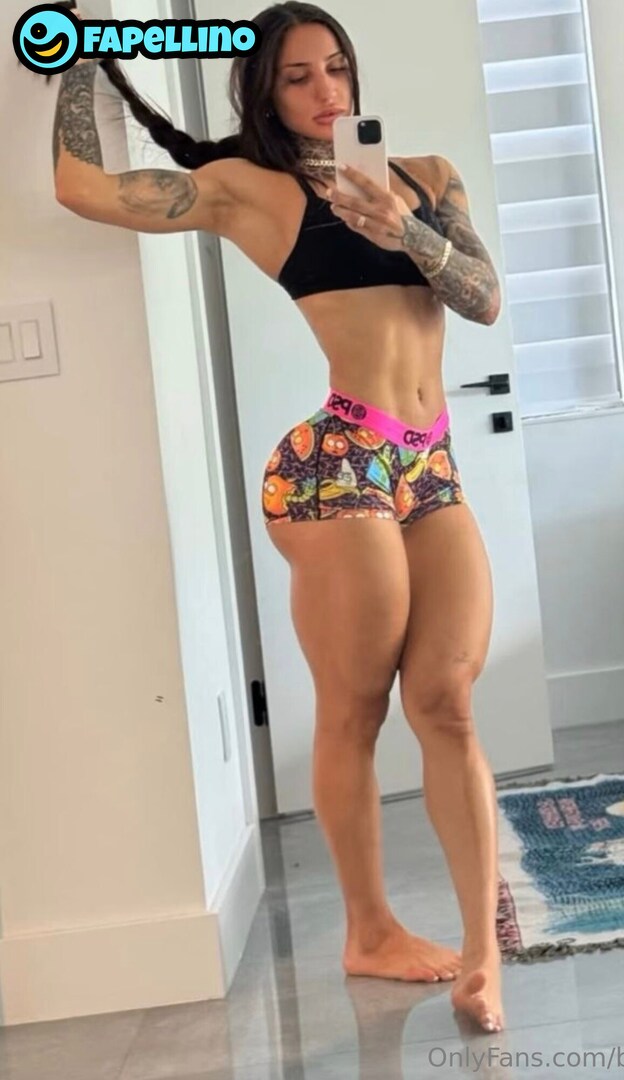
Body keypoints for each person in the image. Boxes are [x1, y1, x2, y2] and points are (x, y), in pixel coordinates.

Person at [52, 1, 504, 1033]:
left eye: (335, 67)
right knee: (356, 709)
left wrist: (403, 230)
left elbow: (483, 300)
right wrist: (79, 49)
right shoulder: (250, 189)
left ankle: (484, 959)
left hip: (429, 468)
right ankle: (371, 929)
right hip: (333, 470)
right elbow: (82, 188)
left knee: (448, 700)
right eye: (297, 77)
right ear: (264, 92)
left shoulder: (425, 176)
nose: (324, 91)